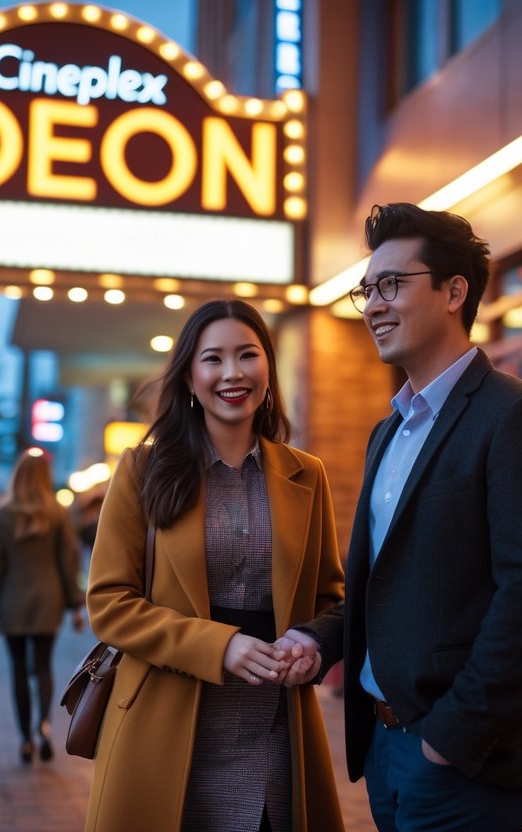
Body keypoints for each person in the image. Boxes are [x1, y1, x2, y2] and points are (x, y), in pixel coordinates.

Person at [287, 203, 522, 831]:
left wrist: (450, 738)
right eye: (368, 289)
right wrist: (319, 639)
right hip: (385, 744)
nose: (372, 305)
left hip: (459, 754)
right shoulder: (388, 429)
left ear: (455, 292)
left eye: (392, 284)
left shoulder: (515, 417)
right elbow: (388, 583)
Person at [84, 299, 346, 832]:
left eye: (247, 355)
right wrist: (220, 645)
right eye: (213, 359)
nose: (233, 373)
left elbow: (331, 600)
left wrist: (313, 644)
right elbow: (109, 605)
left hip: (276, 731)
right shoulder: (142, 470)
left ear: (268, 370)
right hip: (164, 726)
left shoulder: (306, 475)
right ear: (188, 376)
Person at [0, 448, 85, 764]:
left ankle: (25, 738)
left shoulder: (4, 514)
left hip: (12, 600)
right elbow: (68, 563)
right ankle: (44, 726)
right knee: (42, 666)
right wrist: (75, 605)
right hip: (48, 598)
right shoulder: (57, 513)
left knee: (17, 671)